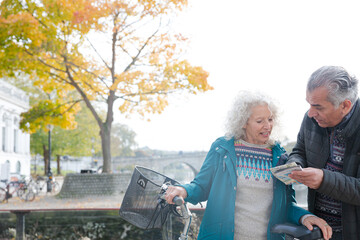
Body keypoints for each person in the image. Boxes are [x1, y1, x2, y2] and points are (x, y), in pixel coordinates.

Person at [165, 90, 332, 240]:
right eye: (260, 121)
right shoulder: (222, 148)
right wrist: (184, 190)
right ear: (244, 122)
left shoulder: (279, 155)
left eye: (270, 119)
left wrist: (305, 217)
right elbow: (201, 186)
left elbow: (286, 205)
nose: (268, 126)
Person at [288, 66, 360, 240]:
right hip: (318, 232)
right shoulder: (310, 119)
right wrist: (296, 164)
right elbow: (299, 151)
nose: (311, 113)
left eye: (318, 107)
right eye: (309, 104)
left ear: (345, 105)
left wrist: (323, 179)